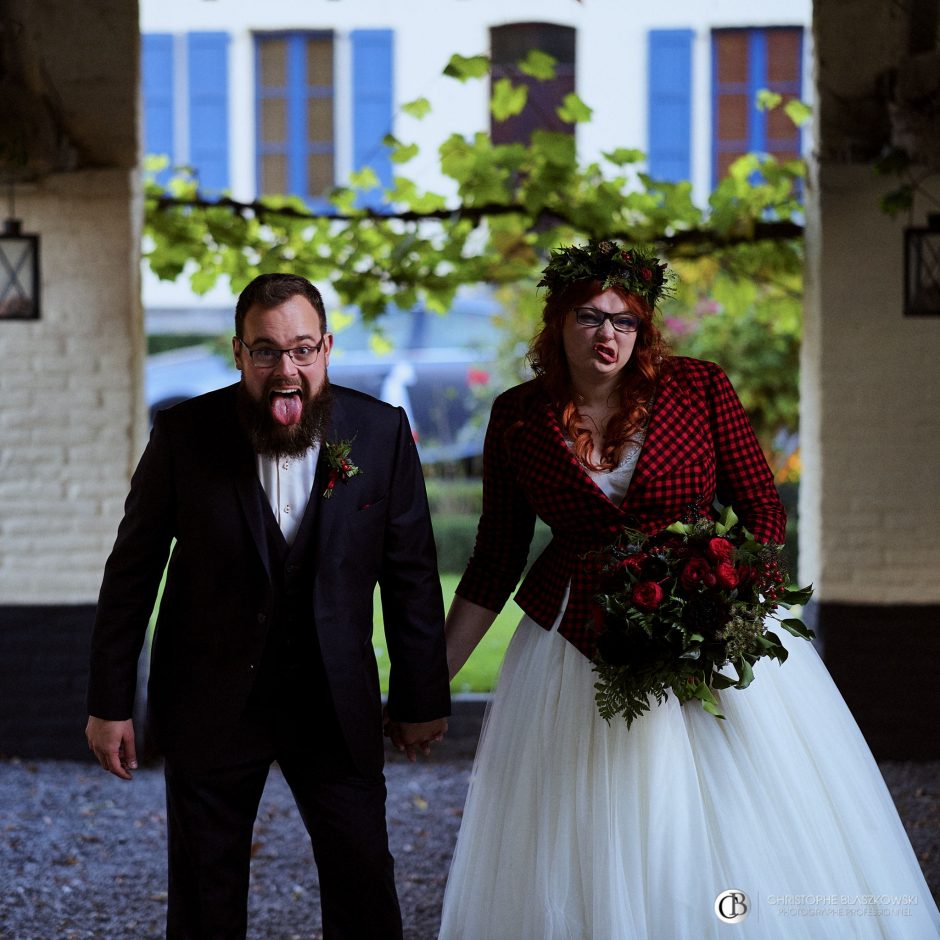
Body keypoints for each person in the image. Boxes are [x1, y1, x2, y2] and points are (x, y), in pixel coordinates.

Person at [438, 241, 940, 939]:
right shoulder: (518, 416)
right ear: (558, 323)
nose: (608, 334)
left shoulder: (700, 388)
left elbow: (763, 511)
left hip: (706, 627)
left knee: (736, 814)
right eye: (589, 317)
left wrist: (732, 605)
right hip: (572, 645)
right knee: (584, 825)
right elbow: (495, 558)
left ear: (643, 329)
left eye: (625, 321)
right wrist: (428, 686)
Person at [85, 272, 450, 939]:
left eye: (302, 349)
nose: (286, 369)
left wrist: (420, 698)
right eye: (266, 351)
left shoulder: (381, 432)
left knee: (365, 881)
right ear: (238, 352)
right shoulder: (184, 434)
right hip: (211, 697)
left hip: (334, 702)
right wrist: (110, 703)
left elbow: (412, 577)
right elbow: (131, 573)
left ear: (327, 349)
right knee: (204, 893)